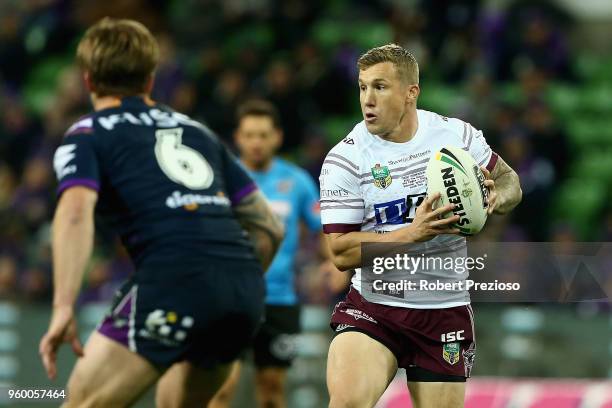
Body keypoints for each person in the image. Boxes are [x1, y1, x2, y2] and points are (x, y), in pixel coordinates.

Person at [38, 18, 284, 407]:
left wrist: (63, 306)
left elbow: (73, 212)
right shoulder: (197, 132)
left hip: (174, 279)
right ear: (151, 80)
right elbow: (269, 226)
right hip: (243, 290)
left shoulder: (88, 133)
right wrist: (226, 287)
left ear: (88, 81)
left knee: (82, 402)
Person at [319, 44, 522, 408]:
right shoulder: (346, 158)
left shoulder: (454, 135)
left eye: (380, 87)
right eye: (363, 87)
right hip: (375, 307)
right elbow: (340, 250)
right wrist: (413, 232)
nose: (368, 98)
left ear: (411, 92)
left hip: (444, 309)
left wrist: (492, 199)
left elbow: (510, 181)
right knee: (347, 402)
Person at [208, 99, 325, 408]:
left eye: (263, 135)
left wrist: (335, 265)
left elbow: (323, 227)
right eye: (249, 135)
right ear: (238, 138)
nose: (256, 143)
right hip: (229, 300)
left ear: (277, 137)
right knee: (221, 389)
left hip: (279, 301)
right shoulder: (221, 180)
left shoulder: (297, 181)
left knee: (272, 391)